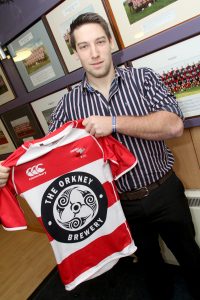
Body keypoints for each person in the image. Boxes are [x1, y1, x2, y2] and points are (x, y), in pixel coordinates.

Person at [1, 12, 200, 299]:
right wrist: (8, 171)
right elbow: (44, 158)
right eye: (84, 46)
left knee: (191, 258)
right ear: (76, 54)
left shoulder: (142, 79)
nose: (94, 53)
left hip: (164, 191)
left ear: (110, 43)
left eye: (99, 42)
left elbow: (174, 125)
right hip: (119, 207)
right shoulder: (68, 105)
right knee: (150, 268)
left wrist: (114, 123)